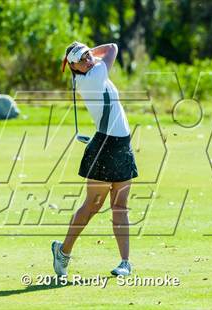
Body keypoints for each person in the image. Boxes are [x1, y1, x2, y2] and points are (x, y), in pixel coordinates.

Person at [51, 42, 138, 277]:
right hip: (104, 146)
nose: (88, 59)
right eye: (82, 59)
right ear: (74, 68)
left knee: (120, 206)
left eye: (88, 55)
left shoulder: (90, 71)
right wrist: (93, 53)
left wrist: (83, 52)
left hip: (121, 145)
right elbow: (112, 48)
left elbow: (106, 51)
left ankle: (125, 262)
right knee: (92, 206)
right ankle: (63, 252)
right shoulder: (93, 77)